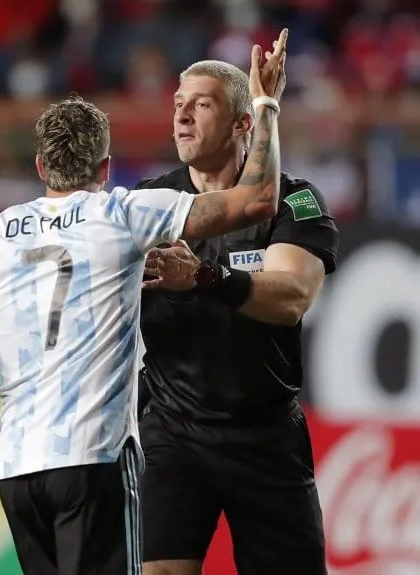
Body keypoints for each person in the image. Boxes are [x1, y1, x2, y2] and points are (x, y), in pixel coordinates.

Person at [0, 31, 289, 575]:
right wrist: (266, 104)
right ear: (106, 169)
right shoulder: (122, 214)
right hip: (95, 457)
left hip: (16, 470)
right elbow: (258, 200)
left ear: (40, 166)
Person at [135, 45, 338, 575]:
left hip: (265, 434)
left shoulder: (295, 202)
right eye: (178, 102)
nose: (180, 114)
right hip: (172, 430)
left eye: (199, 105)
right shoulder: (147, 203)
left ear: (241, 122)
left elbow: (291, 297)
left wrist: (203, 278)